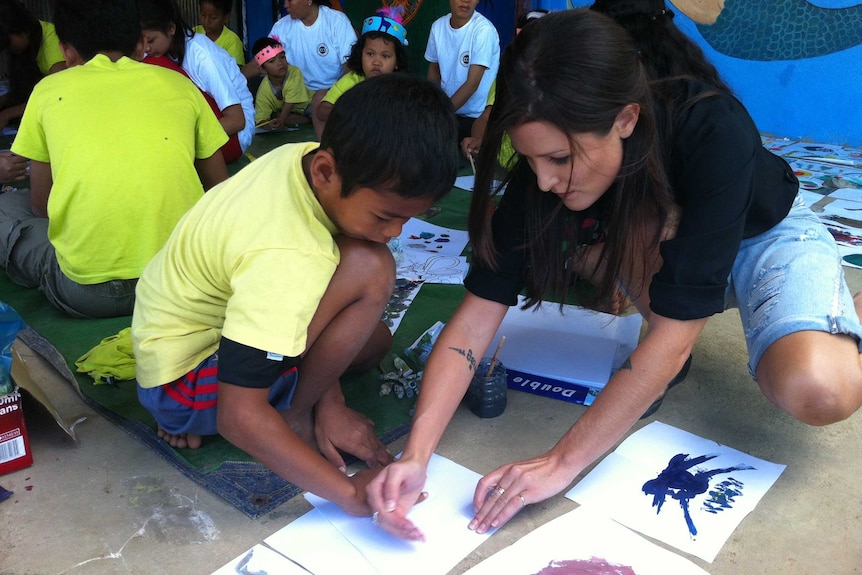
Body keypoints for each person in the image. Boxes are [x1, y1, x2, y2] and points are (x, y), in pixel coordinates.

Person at [368, 9, 862, 540]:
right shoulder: (545, 174)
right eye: (532, 160)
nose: (546, 180)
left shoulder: (711, 127)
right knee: (606, 247)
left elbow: (674, 335)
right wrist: (415, 455)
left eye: (560, 158)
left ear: (625, 120)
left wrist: (561, 463)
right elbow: (470, 325)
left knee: (819, 390)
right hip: (668, 248)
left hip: (761, 238)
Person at [131, 74, 459, 517]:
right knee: (370, 266)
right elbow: (238, 416)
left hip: (176, 348)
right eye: (386, 215)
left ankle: (308, 404)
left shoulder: (301, 159)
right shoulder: (286, 252)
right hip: (185, 383)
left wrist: (335, 400)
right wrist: (350, 494)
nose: (395, 232)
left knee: (374, 339)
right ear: (326, 172)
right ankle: (290, 417)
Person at [0, 0, 228, 319]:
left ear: (66, 51)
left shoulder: (47, 92)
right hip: (180, 287)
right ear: (139, 45)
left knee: (8, 211)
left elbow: (41, 206)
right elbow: (221, 191)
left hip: (87, 294)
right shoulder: (180, 85)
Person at [140, 0, 256, 154]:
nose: (146, 47)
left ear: (171, 29)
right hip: (207, 125)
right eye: (142, 41)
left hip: (234, 136)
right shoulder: (161, 50)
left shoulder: (203, 55)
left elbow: (236, 120)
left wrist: (187, 140)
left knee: (153, 64)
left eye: (151, 40)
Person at [249, 0, 356, 138]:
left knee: (321, 98)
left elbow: (350, 69)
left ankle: (307, 118)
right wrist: (235, 79)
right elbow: (262, 60)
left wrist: (333, 94)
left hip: (329, 94)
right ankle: (306, 117)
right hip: (293, 94)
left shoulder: (336, 21)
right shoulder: (282, 26)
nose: (286, 5)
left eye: (290, 0)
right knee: (254, 86)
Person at [314, 9, 410, 139]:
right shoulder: (351, 80)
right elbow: (322, 111)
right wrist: (351, 113)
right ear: (360, 54)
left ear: (397, 62)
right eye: (370, 54)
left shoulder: (401, 87)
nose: (376, 62)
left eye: (385, 56)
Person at [426, 0, 500, 143]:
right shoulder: (438, 27)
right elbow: (434, 68)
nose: (466, 1)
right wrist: (432, 105)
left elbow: (472, 83)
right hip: (447, 112)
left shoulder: (483, 30)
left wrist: (441, 114)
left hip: (477, 117)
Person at [0, 0, 66, 130]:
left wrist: (7, 114)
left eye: (8, 42)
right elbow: (27, 91)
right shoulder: (26, 45)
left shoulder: (53, 46)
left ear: (24, 31)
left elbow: (59, 96)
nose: (8, 49)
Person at [251, 37, 313, 129]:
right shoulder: (264, 90)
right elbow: (261, 120)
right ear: (263, 69)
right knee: (281, 118)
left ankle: (310, 120)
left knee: (320, 112)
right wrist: (268, 125)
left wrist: (281, 121)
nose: (280, 63)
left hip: (308, 106)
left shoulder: (294, 72)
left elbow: (289, 103)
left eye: (282, 57)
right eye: (272, 61)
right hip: (288, 113)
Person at [194, 0, 245, 67]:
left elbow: (236, 72)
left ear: (226, 17)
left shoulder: (233, 42)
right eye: (203, 15)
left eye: (213, 17)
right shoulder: (194, 32)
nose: (206, 21)